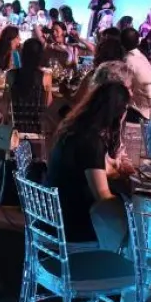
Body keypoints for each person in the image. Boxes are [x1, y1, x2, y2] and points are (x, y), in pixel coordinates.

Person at [44, 81, 134, 245]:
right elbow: (102, 197)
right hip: (72, 225)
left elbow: (94, 167)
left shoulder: (75, 130)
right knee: (134, 222)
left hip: (55, 216)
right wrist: (131, 206)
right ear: (118, 112)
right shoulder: (90, 141)